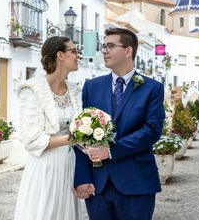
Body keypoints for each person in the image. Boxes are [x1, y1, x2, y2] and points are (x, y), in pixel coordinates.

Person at [74, 28, 165, 220]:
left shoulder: (152, 88)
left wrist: (111, 150)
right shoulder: (92, 86)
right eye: (103, 46)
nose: (104, 51)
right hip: (98, 184)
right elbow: (81, 133)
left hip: (137, 183)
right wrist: (82, 178)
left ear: (128, 51)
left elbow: (152, 131)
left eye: (110, 46)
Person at [14, 36, 86, 220]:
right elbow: (32, 139)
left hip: (70, 166)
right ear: (60, 55)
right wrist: (74, 138)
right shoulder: (32, 89)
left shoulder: (75, 90)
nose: (78, 55)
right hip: (45, 167)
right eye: (74, 51)